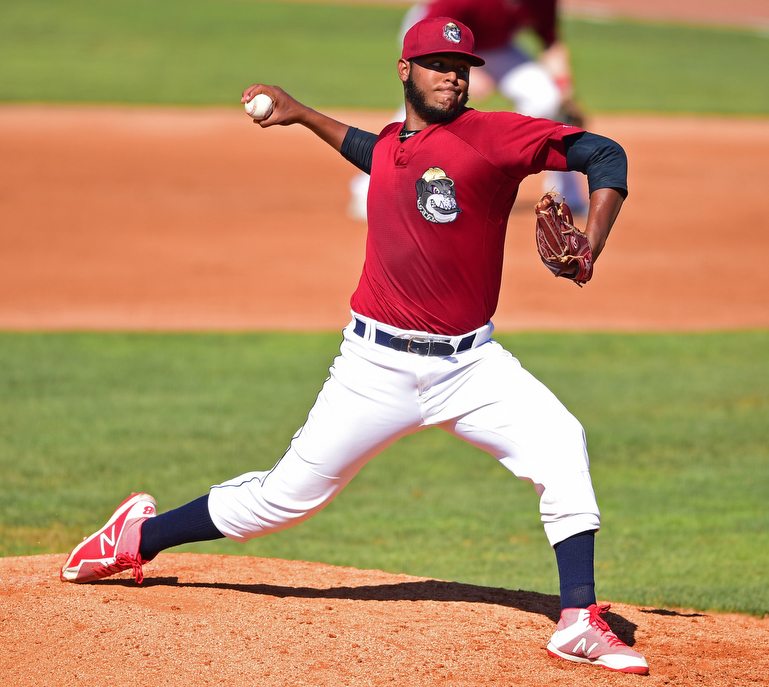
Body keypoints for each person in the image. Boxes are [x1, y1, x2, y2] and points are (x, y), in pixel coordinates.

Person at [59, 16, 648, 675]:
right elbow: (373, 149)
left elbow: (605, 155)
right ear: (405, 70)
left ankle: (577, 620)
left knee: (561, 441)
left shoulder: (495, 136)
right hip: (374, 367)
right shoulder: (397, 142)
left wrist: (591, 243)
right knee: (282, 498)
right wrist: (303, 114)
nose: (453, 75)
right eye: (436, 63)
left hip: (471, 366)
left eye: (462, 66)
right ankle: (135, 537)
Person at [348, 0, 588, 221]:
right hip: (434, 33)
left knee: (547, 99)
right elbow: (433, 24)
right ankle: (367, 188)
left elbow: (551, 42)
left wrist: (565, 93)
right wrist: (468, 70)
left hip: (495, 47)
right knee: (426, 104)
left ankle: (567, 196)